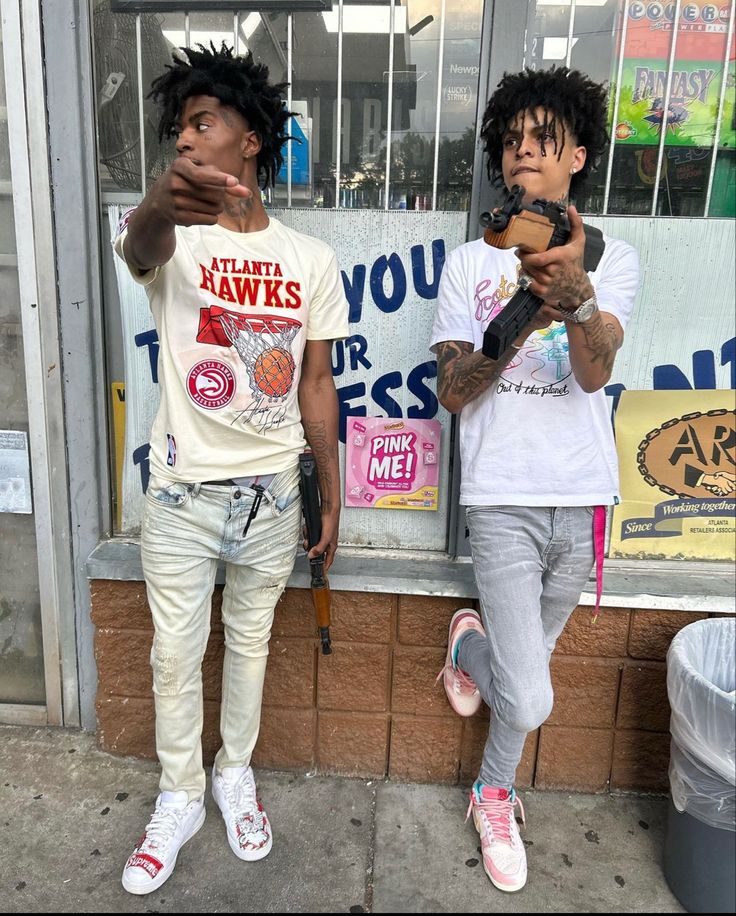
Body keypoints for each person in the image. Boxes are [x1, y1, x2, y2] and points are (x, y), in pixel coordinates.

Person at [114, 44, 347, 895]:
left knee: (248, 645)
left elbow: (315, 380)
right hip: (178, 494)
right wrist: (155, 203)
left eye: (203, 123)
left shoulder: (310, 258)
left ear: (251, 140)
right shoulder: (168, 238)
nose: (186, 141)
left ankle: (232, 773)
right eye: (177, 129)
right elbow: (138, 242)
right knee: (175, 655)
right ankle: (179, 794)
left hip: (273, 496)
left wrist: (332, 490)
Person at [430, 66, 640, 893]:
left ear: (577, 156)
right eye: (511, 140)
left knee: (525, 687)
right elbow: (453, 392)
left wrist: (577, 296)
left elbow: (593, 375)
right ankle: (488, 768)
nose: (523, 150)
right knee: (535, 696)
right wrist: (522, 309)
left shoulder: (613, 259)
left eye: (541, 139)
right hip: (503, 497)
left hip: (582, 494)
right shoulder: (463, 267)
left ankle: (485, 745)